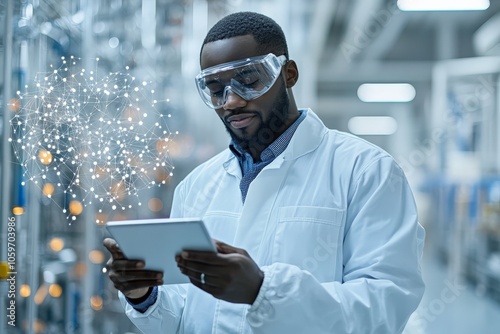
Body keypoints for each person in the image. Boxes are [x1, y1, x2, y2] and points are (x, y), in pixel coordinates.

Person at [103, 11, 425, 334]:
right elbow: (184, 316)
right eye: (216, 89)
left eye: (248, 80)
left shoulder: (366, 172)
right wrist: (144, 295)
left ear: (289, 74)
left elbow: (385, 307)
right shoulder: (196, 187)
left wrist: (262, 291)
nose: (231, 101)